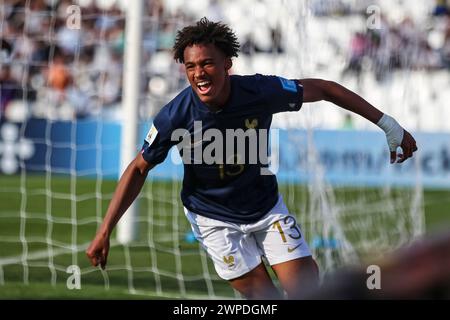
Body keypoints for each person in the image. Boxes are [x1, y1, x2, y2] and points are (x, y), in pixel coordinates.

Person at [86, 18, 418, 299]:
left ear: (227, 63)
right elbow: (138, 168)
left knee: (307, 289)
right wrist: (104, 232)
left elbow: (326, 89)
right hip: (212, 220)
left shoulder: (261, 92)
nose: (199, 73)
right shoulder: (175, 116)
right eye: (190, 66)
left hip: (266, 208)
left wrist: (388, 125)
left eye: (207, 63)